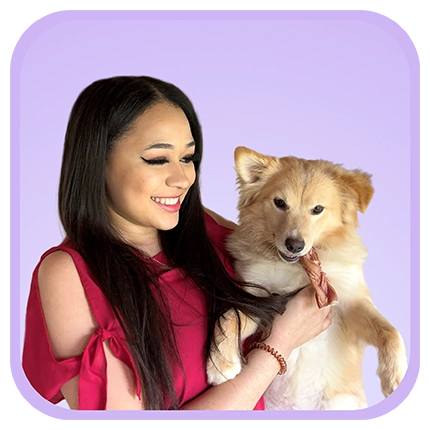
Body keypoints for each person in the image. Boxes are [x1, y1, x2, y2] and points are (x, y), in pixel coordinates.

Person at [22, 76, 332, 410]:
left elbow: (314, 270)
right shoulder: (68, 275)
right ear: (97, 161)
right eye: (157, 160)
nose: (182, 179)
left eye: (187, 158)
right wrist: (278, 347)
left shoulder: (206, 229)